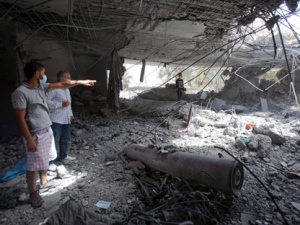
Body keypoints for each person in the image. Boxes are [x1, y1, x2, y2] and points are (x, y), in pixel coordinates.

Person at [11, 61, 96, 207]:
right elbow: (19, 119)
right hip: (35, 133)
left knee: (45, 159)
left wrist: (81, 82)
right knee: (32, 166)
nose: (45, 76)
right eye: (43, 73)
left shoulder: (40, 87)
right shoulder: (21, 93)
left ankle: (43, 181)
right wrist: (29, 139)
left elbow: (63, 85)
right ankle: (33, 193)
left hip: (46, 128)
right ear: (37, 74)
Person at [46, 71, 75, 162]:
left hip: (66, 119)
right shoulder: (54, 89)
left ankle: (63, 156)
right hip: (56, 119)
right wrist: (60, 104)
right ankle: (51, 161)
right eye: (68, 78)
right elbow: (46, 101)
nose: (70, 80)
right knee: (55, 139)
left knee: (65, 138)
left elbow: (68, 104)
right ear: (61, 79)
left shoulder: (66, 89)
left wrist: (71, 114)